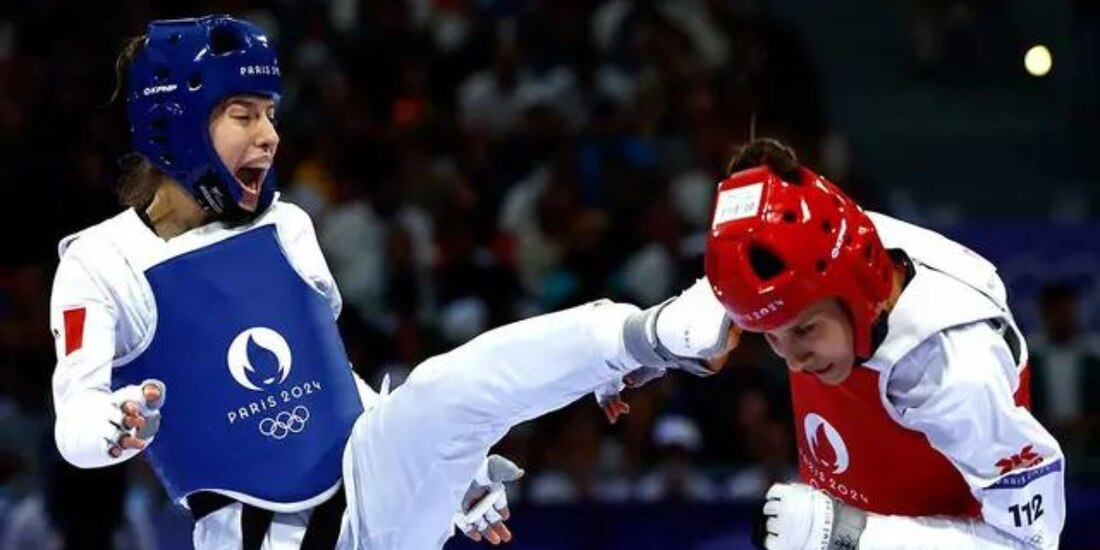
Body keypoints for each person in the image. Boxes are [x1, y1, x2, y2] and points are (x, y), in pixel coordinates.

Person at [47, 15, 736, 550]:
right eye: (244, 114)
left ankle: (653, 331)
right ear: (176, 122)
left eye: (271, 114)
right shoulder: (100, 263)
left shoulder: (286, 227)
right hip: (256, 537)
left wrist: (453, 474)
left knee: (445, 388)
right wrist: (114, 425)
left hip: (367, 486)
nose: (270, 136)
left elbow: (330, 379)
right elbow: (74, 426)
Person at [703, 138, 1065, 549]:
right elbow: (742, 273)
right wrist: (633, 346)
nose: (792, 359)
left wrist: (848, 536)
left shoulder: (957, 369)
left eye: (804, 330)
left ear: (856, 292)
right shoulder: (824, 250)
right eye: (769, 334)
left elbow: (1033, 544)